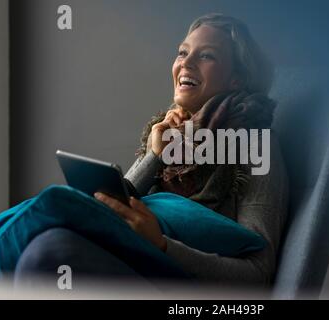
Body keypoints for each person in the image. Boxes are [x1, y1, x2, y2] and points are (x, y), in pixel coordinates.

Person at [14, 13, 289, 290]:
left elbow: (258, 273)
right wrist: (154, 155)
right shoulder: (168, 129)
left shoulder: (255, 143)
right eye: (182, 52)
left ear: (237, 80)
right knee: (43, 242)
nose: (186, 63)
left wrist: (160, 244)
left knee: (49, 252)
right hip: (136, 259)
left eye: (206, 56)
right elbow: (122, 202)